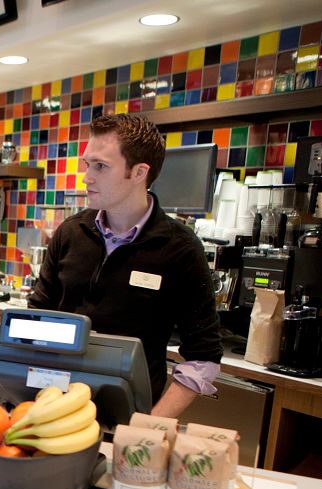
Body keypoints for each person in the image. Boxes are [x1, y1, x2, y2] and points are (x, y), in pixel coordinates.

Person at [28, 113, 222, 418]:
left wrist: (147, 425)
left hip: (129, 418)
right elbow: (36, 318)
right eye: (87, 164)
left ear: (139, 172)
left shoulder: (181, 249)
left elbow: (203, 357)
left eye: (100, 166)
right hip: (53, 409)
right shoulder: (70, 233)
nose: (87, 177)